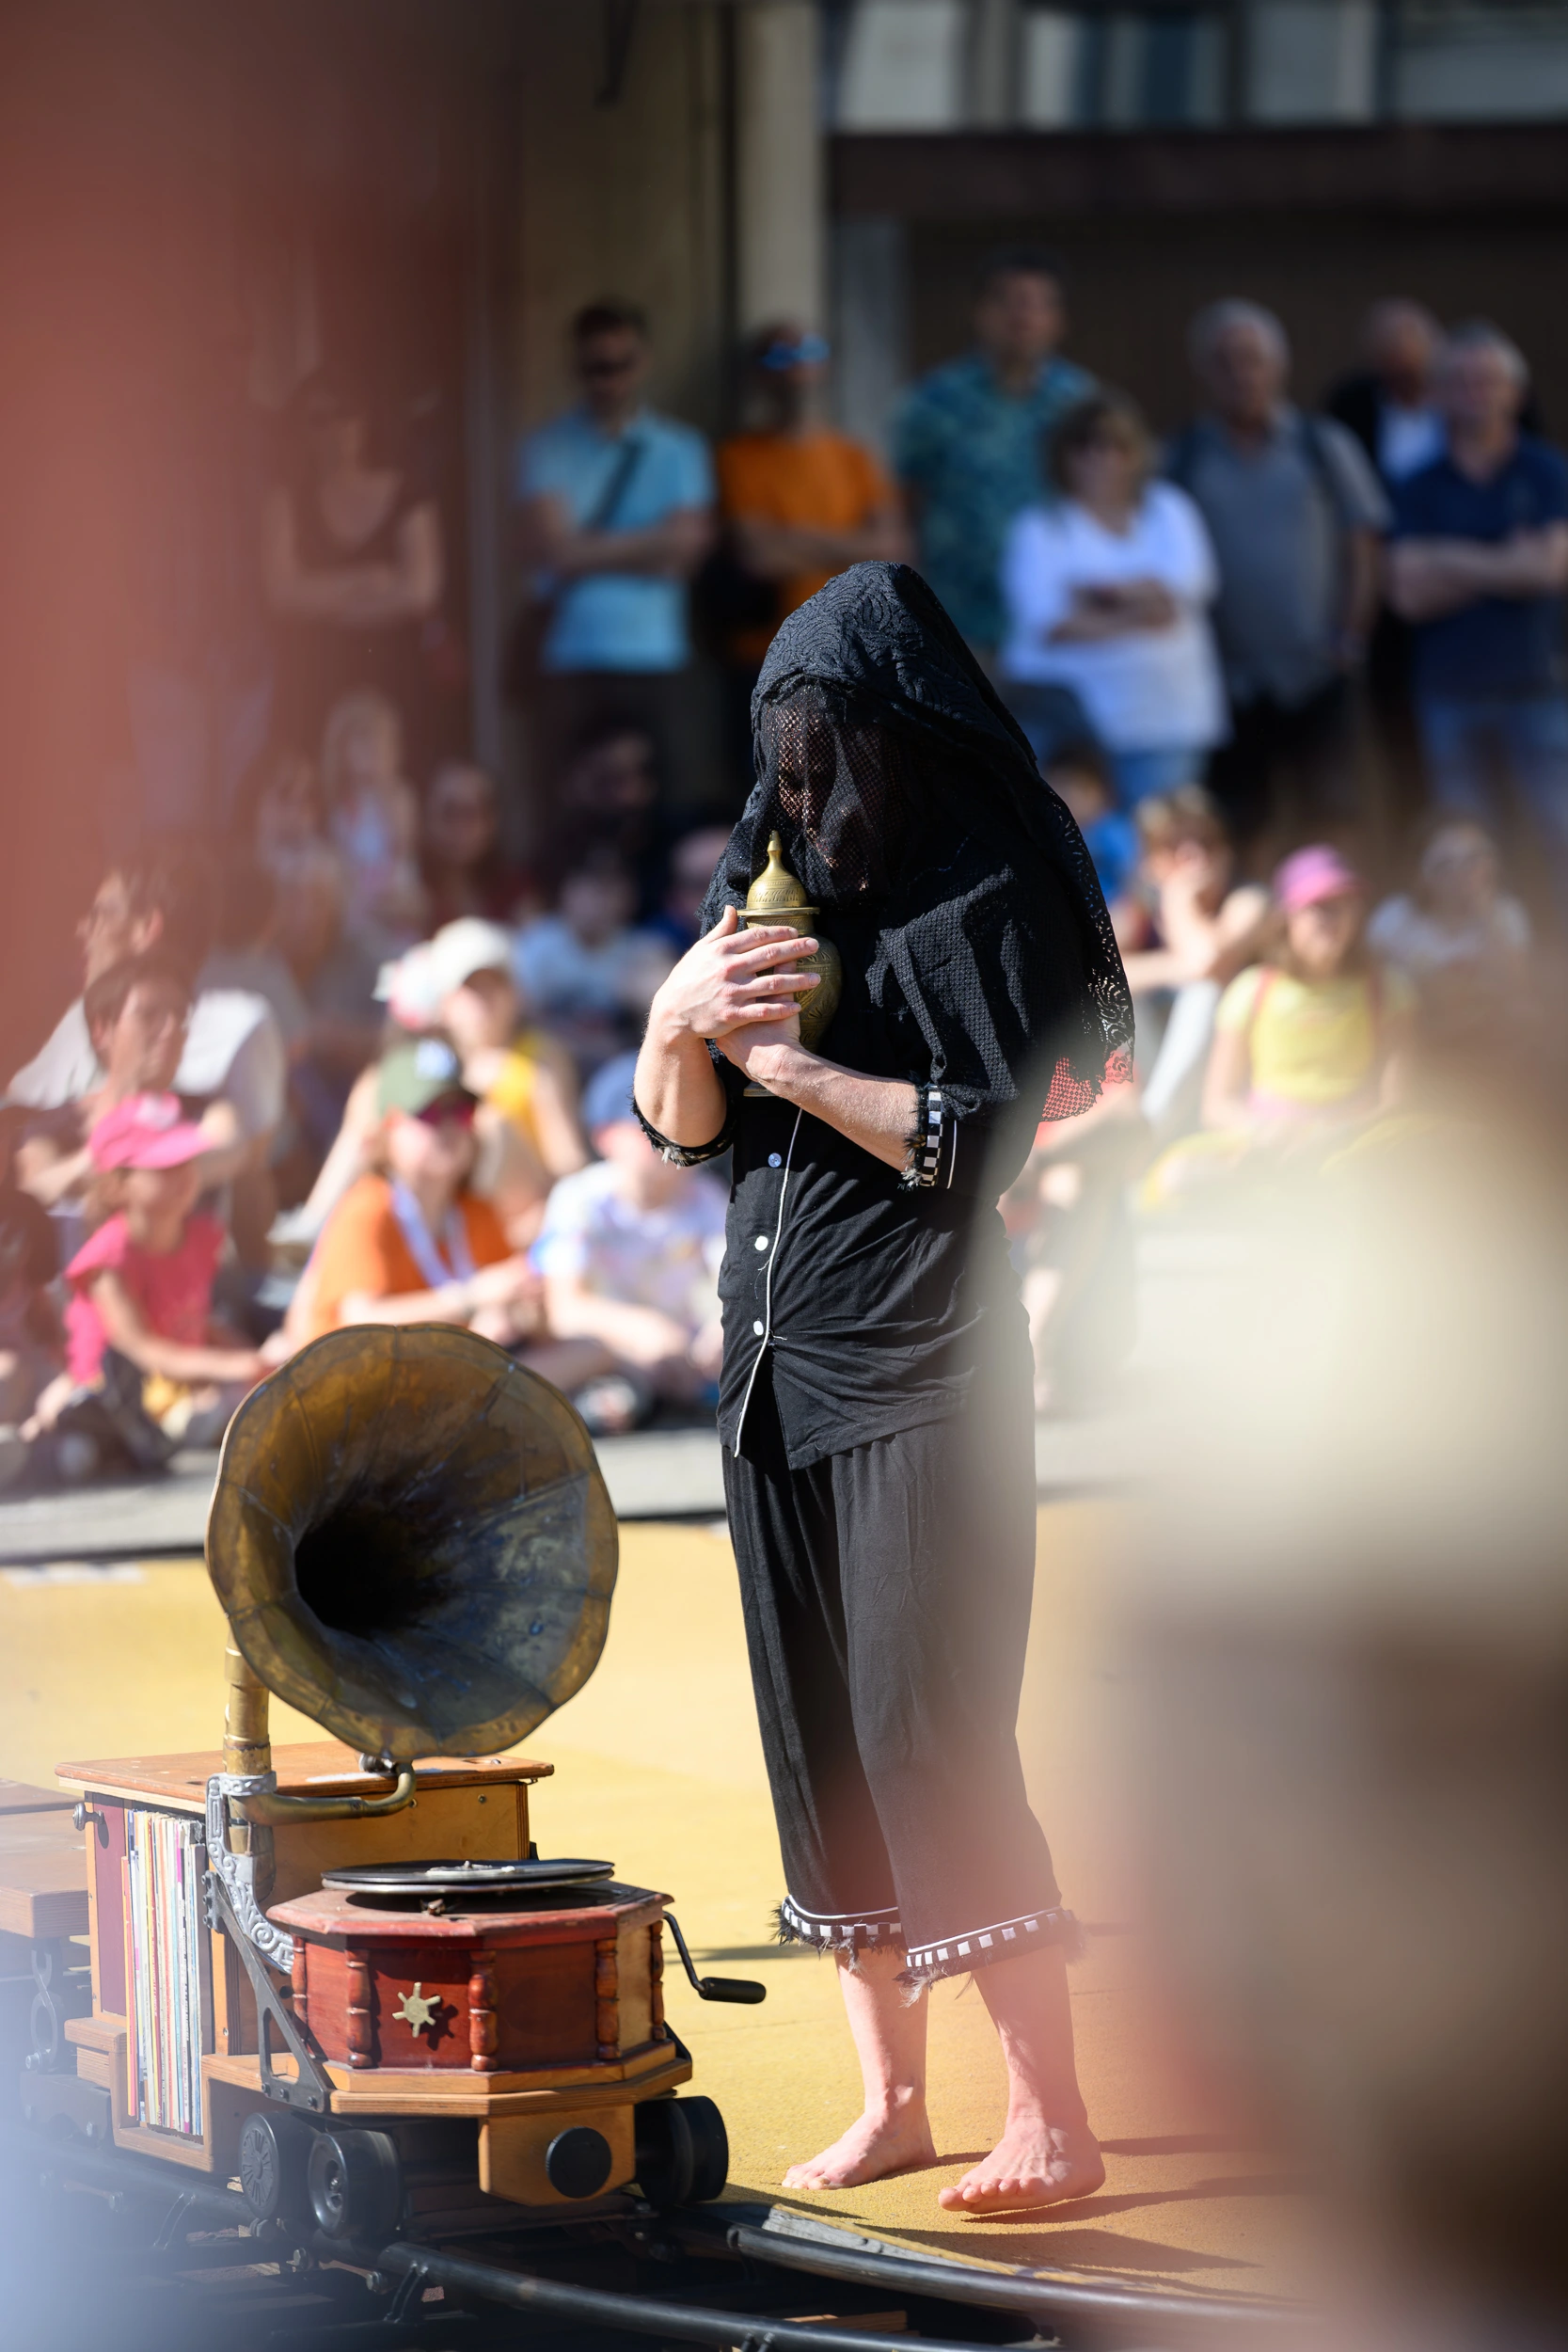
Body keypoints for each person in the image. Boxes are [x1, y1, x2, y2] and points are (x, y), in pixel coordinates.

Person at [633, 562, 1131, 2213]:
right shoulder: (767, 879)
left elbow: (977, 1147)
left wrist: (777, 1061)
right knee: (822, 1744)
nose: (800, 782)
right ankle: (895, 2097)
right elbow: (686, 1137)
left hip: (925, 1364)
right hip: (767, 1366)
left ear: (894, 732)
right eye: (782, 747)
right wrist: (674, 1018)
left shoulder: (980, 884)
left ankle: (1049, 2111)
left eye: (826, 742)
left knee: (933, 1738)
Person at [1170, 301, 1388, 846]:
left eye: (1253, 359)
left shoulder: (1323, 445)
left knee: (1333, 819)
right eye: (1224, 361)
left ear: (1278, 366)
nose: (1241, 373)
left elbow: (1363, 545)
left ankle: (1334, 929)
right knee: (1237, 824)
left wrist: (1351, 639)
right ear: (1204, 372)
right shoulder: (1182, 457)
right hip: (1229, 682)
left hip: (1317, 670)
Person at [7, 850, 285, 1266]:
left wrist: (118, 1167)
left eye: (100, 912)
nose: (84, 929)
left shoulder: (225, 1064)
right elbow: (27, 1175)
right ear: (102, 1031)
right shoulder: (60, 1104)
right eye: (151, 1016)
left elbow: (238, 1155)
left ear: (146, 928)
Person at [1385, 322, 1568, 908]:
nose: (1475, 392)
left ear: (1514, 391)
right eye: (1460, 381)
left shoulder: (1546, 471)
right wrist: (1506, 562)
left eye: (1488, 380)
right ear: (1439, 393)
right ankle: (1488, 968)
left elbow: (1548, 571)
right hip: (1450, 692)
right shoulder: (1418, 484)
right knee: (1467, 847)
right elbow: (1408, 596)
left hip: (1537, 686)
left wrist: (1443, 558)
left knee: (1558, 835)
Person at [515, 301, 716, 798]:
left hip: (656, 652)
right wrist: (654, 543)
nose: (607, 380)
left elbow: (688, 552)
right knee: (568, 802)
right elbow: (558, 553)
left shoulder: (680, 448)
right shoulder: (546, 447)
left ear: (642, 362)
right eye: (593, 367)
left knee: (662, 800)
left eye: (618, 365)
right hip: (570, 653)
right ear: (575, 367)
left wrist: (587, 548)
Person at [1000, 389, 1225, 805]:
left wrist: (1096, 595)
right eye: (1085, 446)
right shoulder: (1039, 528)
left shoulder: (1170, 509)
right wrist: (1145, 609)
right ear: (1062, 457)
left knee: (1160, 854)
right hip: (1070, 732)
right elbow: (1049, 625)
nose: (1101, 458)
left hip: (1167, 722)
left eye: (1116, 445)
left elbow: (1192, 585)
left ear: (1137, 453)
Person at [27, 1094, 270, 1465]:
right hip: (108, 1389)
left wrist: (248, 1359)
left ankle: (159, 1436)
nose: (182, 1174)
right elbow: (139, 1347)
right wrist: (232, 1366)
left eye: (185, 1161)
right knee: (78, 1433)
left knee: (236, 1400)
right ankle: (45, 1442)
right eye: (163, 1166)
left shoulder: (202, 1237)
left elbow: (193, 1318)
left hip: (172, 1386)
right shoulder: (109, 1257)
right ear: (116, 1186)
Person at [713, 322, 907, 763]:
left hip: (849, 659)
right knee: (767, 803)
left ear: (826, 365)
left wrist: (789, 538)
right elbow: (757, 557)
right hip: (766, 660)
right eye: (778, 358)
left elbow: (892, 552)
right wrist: (853, 545)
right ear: (758, 375)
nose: (795, 369)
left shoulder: (854, 457)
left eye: (809, 353)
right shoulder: (739, 457)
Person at [894, 247, 1093, 662]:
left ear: (1058, 321)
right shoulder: (936, 402)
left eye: (1039, 304)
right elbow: (903, 503)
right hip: (959, 622)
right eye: (1007, 301)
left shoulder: (1080, 403)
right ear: (980, 312)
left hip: (1061, 623)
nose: (1022, 317)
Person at [294, 1038, 544, 1351]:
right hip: (363, 1390)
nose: (449, 1125)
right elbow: (359, 1325)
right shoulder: (368, 1207)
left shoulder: (476, 1211)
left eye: (461, 1111)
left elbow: (506, 1307)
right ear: (388, 1128)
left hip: (444, 1379)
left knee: (588, 1349)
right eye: (429, 1114)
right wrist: (472, 1298)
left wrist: (516, 1310)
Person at [261, 368, 449, 767]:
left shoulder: (408, 490)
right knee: (315, 784)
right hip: (314, 677)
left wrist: (320, 598)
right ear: (302, 430)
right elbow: (281, 594)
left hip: (395, 671)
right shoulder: (287, 499)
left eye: (344, 413)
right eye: (318, 418)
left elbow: (420, 592)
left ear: (365, 418)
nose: (333, 428)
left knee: (396, 784)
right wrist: (373, 578)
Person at [531, 1052, 726, 1434]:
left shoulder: (704, 1197)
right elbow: (563, 1308)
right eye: (648, 1125)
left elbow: (733, 1282)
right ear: (604, 1138)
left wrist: (717, 1335)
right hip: (610, 1351)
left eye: (679, 1120)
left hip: (683, 1356)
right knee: (612, 1398)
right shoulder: (580, 1198)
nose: (667, 1136)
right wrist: (642, 1330)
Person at [1199, 844, 1413, 1144]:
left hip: (1356, 1143)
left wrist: (1338, 1136)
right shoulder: (1251, 990)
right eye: (1319, 906)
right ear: (1287, 917)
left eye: (1345, 904)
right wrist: (1264, 1133)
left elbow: (1395, 1102)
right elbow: (1217, 1105)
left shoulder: (1388, 988)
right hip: (1272, 1145)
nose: (1333, 917)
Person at [1119, 788, 1270, 1137]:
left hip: (1236, 1071)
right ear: (1149, 863)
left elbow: (1205, 962)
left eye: (1206, 842)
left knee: (1204, 992)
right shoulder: (1137, 911)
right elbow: (1090, 975)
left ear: (1227, 851)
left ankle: (1147, 1132)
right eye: (1173, 846)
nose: (1194, 855)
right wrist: (1176, 965)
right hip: (1151, 1067)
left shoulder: (1249, 900)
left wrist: (1178, 900)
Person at [1368, 818, 1531, 1054]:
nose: (1464, 872)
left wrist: (1487, 918)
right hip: (1419, 1043)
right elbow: (1372, 996)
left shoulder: (1505, 914)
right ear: (1419, 875)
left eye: (1475, 858)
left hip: (1491, 1042)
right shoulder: (1393, 920)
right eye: (1444, 864)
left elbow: (1519, 993)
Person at [515, 847, 674, 1071]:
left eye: (608, 888)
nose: (596, 899)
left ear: (628, 895)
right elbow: (522, 1018)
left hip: (621, 1068)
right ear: (565, 890)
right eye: (587, 886)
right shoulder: (537, 945)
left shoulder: (645, 949)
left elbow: (666, 1024)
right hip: (552, 1064)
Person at [319, 688, 426, 944]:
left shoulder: (399, 797)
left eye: (379, 740)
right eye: (361, 740)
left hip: (394, 903)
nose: (371, 749)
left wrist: (384, 791)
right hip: (353, 912)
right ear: (340, 749)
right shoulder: (335, 806)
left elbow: (403, 850)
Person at [420, 761, 531, 932]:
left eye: (470, 813)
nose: (459, 828)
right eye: (448, 813)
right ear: (425, 817)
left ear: (491, 822)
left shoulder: (517, 896)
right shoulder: (411, 892)